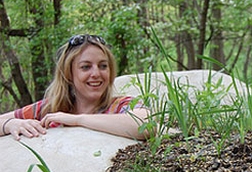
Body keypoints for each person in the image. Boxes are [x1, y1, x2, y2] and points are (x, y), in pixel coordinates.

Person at [0, 34, 151, 141]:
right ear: (69, 73)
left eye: (103, 66)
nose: (96, 73)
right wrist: (10, 124)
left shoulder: (120, 105)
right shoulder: (48, 109)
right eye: (86, 67)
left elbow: (146, 125)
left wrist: (77, 120)